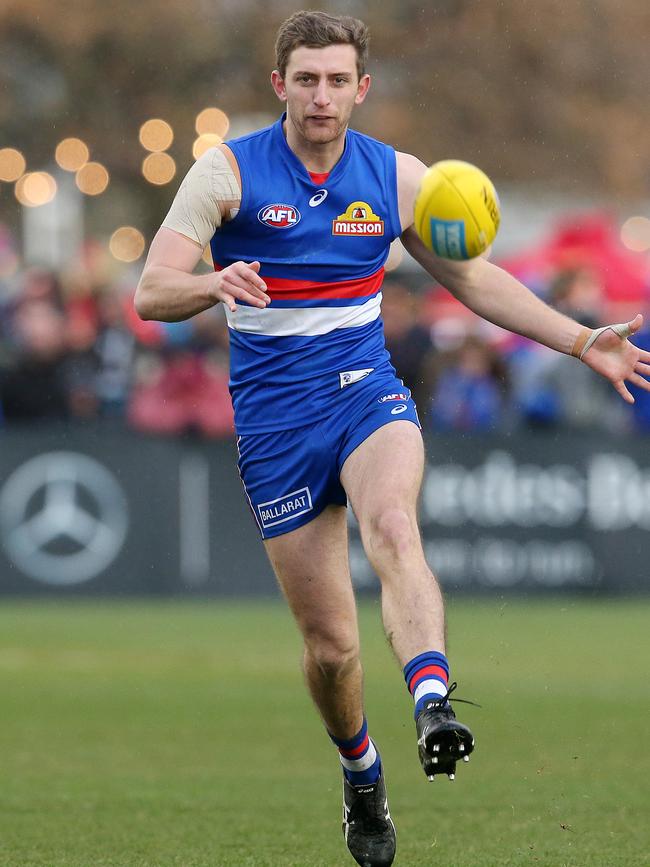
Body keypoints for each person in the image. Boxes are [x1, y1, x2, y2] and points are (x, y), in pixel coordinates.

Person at [134, 11, 650, 866]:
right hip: (273, 424)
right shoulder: (226, 172)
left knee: (396, 528)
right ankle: (362, 775)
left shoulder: (397, 177)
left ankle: (434, 699)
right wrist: (208, 284)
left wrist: (580, 338)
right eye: (307, 79)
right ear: (280, 85)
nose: (322, 95)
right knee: (331, 651)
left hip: (365, 394)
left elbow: (474, 278)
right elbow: (150, 290)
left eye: (338, 80)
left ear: (362, 89)